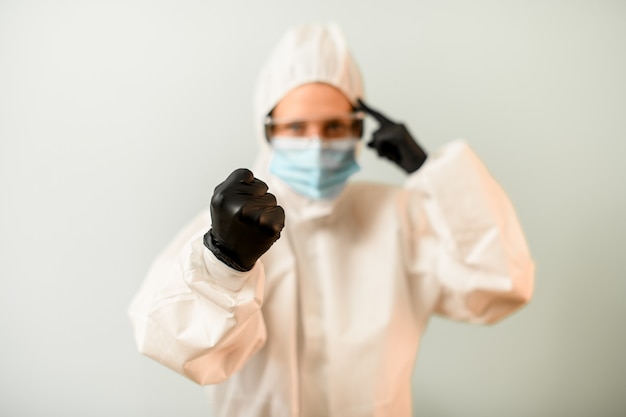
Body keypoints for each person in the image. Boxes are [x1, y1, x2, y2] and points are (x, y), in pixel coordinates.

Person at [129, 23, 534, 417]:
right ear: (267, 131)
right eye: (296, 126)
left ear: (359, 130)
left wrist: (436, 176)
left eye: (335, 126)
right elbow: (172, 343)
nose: (317, 143)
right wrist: (224, 262)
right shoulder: (228, 230)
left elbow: (500, 285)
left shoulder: (399, 217)